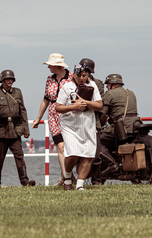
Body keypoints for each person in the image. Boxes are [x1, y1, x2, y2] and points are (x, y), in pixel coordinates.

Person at [55, 63, 103, 190]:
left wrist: (85, 102)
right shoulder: (67, 87)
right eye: (79, 75)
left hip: (87, 124)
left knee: (88, 154)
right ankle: (67, 177)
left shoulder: (92, 85)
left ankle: (80, 185)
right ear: (74, 75)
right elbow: (58, 107)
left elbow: (99, 105)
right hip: (70, 125)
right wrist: (74, 107)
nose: (81, 78)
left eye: (84, 75)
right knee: (73, 153)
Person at [0, 69, 36, 188]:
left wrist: (26, 129)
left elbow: (23, 111)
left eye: (11, 79)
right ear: (2, 80)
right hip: (1, 131)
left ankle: (25, 181)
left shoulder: (17, 92)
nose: (10, 81)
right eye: (7, 79)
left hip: (15, 131)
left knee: (19, 155)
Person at [32, 53, 73, 186]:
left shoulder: (72, 78)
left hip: (68, 115)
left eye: (50, 64)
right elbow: (45, 99)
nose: (48, 67)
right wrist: (38, 118)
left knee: (69, 147)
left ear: (57, 65)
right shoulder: (49, 79)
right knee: (60, 147)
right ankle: (66, 178)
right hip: (53, 115)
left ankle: (65, 177)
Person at [99, 74, 142, 176]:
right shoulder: (131, 93)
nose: (106, 87)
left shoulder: (109, 94)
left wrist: (98, 126)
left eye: (107, 85)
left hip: (121, 128)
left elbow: (103, 114)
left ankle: (112, 164)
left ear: (111, 84)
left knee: (96, 142)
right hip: (135, 127)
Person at [78, 58, 105, 185]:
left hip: (93, 120)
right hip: (77, 120)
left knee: (96, 153)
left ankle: (96, 180)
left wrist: (85, 104)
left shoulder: (98, 84)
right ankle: (78, 180)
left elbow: (99, 103)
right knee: (76, 152)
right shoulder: (75, 81)